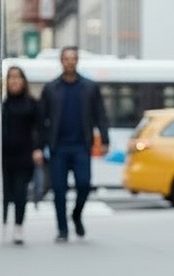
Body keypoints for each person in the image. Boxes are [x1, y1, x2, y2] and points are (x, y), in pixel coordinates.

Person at [38, 47, 109, 242]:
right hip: (58, 147)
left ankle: (76, 215)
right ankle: (62, 229)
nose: (70, 62)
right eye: (66, 58)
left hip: (81, 146)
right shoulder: (51, 88)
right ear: (61, 61)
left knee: (84, 185)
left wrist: (104, 139)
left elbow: (100, 115)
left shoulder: (89, 87)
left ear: (77, 61)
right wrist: (39, 146)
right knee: (59, 190)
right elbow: (42, 120)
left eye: (73, 58)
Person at [2, 66, 43, 245]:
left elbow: (39, 129)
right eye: (11, 77)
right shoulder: (3, 105)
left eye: (18, 77)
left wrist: (38, 149)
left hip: (24, 156)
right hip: (4, 155)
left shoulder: (32, 104)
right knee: (6, 191)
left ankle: (18, 225)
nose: (14, 81)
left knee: (20, 192)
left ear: (23, 81)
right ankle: (4, 221)